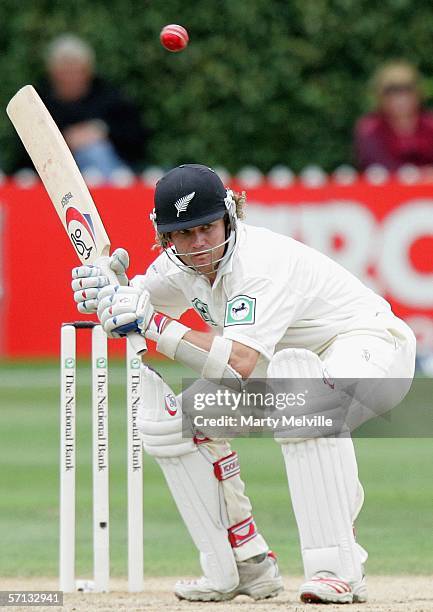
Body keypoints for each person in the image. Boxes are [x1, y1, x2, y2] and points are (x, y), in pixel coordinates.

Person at [71, 164, 416, 604]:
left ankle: (337, 571)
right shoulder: (177, 267)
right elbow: (134, 302)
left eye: (208, 228)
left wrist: (152, 323)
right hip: (286, 369)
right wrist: (110, 291)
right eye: (185, 233)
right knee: (173, 424)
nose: (199, 244)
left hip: (373, 351)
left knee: (307, 402)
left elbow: (239, 363)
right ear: (164, 237)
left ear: (230, 216)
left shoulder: (258, 265)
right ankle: (243, 565)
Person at [35, 34, 147, 178]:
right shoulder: (40, 103)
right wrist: (63, 141)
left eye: (75, 71)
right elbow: (27, 152)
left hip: (114, 171)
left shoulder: (109, 96)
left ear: (87, 71)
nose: (70, 78)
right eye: (64, 72)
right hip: (57, 175)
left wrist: (101, 131)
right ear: (52, 74)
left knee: (95, 151)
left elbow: (135, 138)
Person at [354, 60, 433, 171]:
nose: (400, 100)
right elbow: (378, 166)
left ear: (418, 94)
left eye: (406, 91)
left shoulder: (430, 124)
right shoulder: (370, 128)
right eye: (392, 93)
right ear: (380, 97)